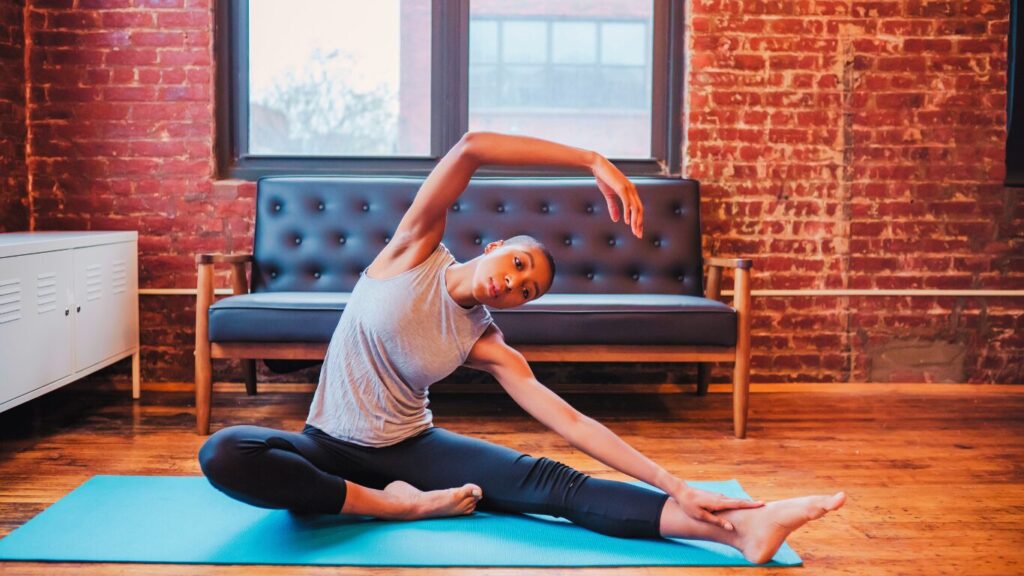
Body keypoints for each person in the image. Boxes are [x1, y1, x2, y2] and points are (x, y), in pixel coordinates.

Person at [198, 131, 845, 564]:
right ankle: (393, 508)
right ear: (494, 248)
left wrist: (678, 483)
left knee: (553, 485)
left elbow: (569, 419)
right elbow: (473, 146)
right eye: (515, 266)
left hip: (413, 448)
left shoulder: (485, 339)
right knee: (225, 451)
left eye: (523, 291)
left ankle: (743, 529)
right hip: (327, 445)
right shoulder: (413, 249)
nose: (510, 285)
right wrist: (593, 160)